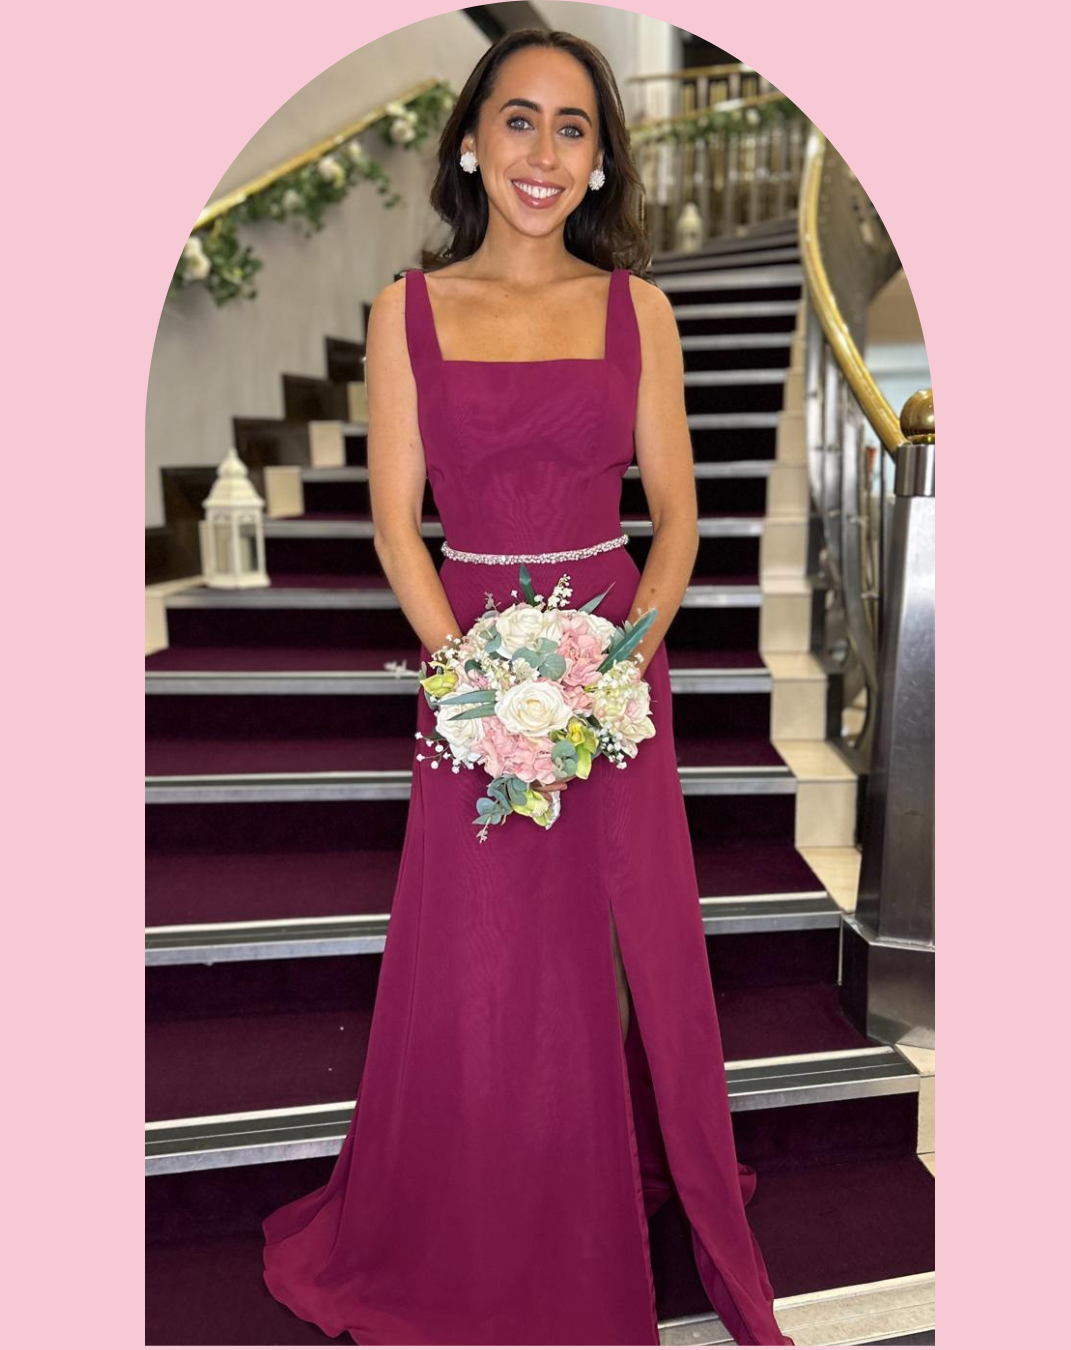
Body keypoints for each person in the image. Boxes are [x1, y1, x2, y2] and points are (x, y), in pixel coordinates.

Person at [262, 27, 794, 1347]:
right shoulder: (409, 310)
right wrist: (475, 688)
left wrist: (620, 663)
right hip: (472, 668)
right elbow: (397, 525)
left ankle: (615, 1184)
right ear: (470, 139)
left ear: (602, 158)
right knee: (489, 961)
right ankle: (487, 1220)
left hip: (613, 666)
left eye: (572, 127)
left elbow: (674, 522)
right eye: (518, 120)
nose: (542, 153)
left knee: (633, 957)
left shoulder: (639, 312)